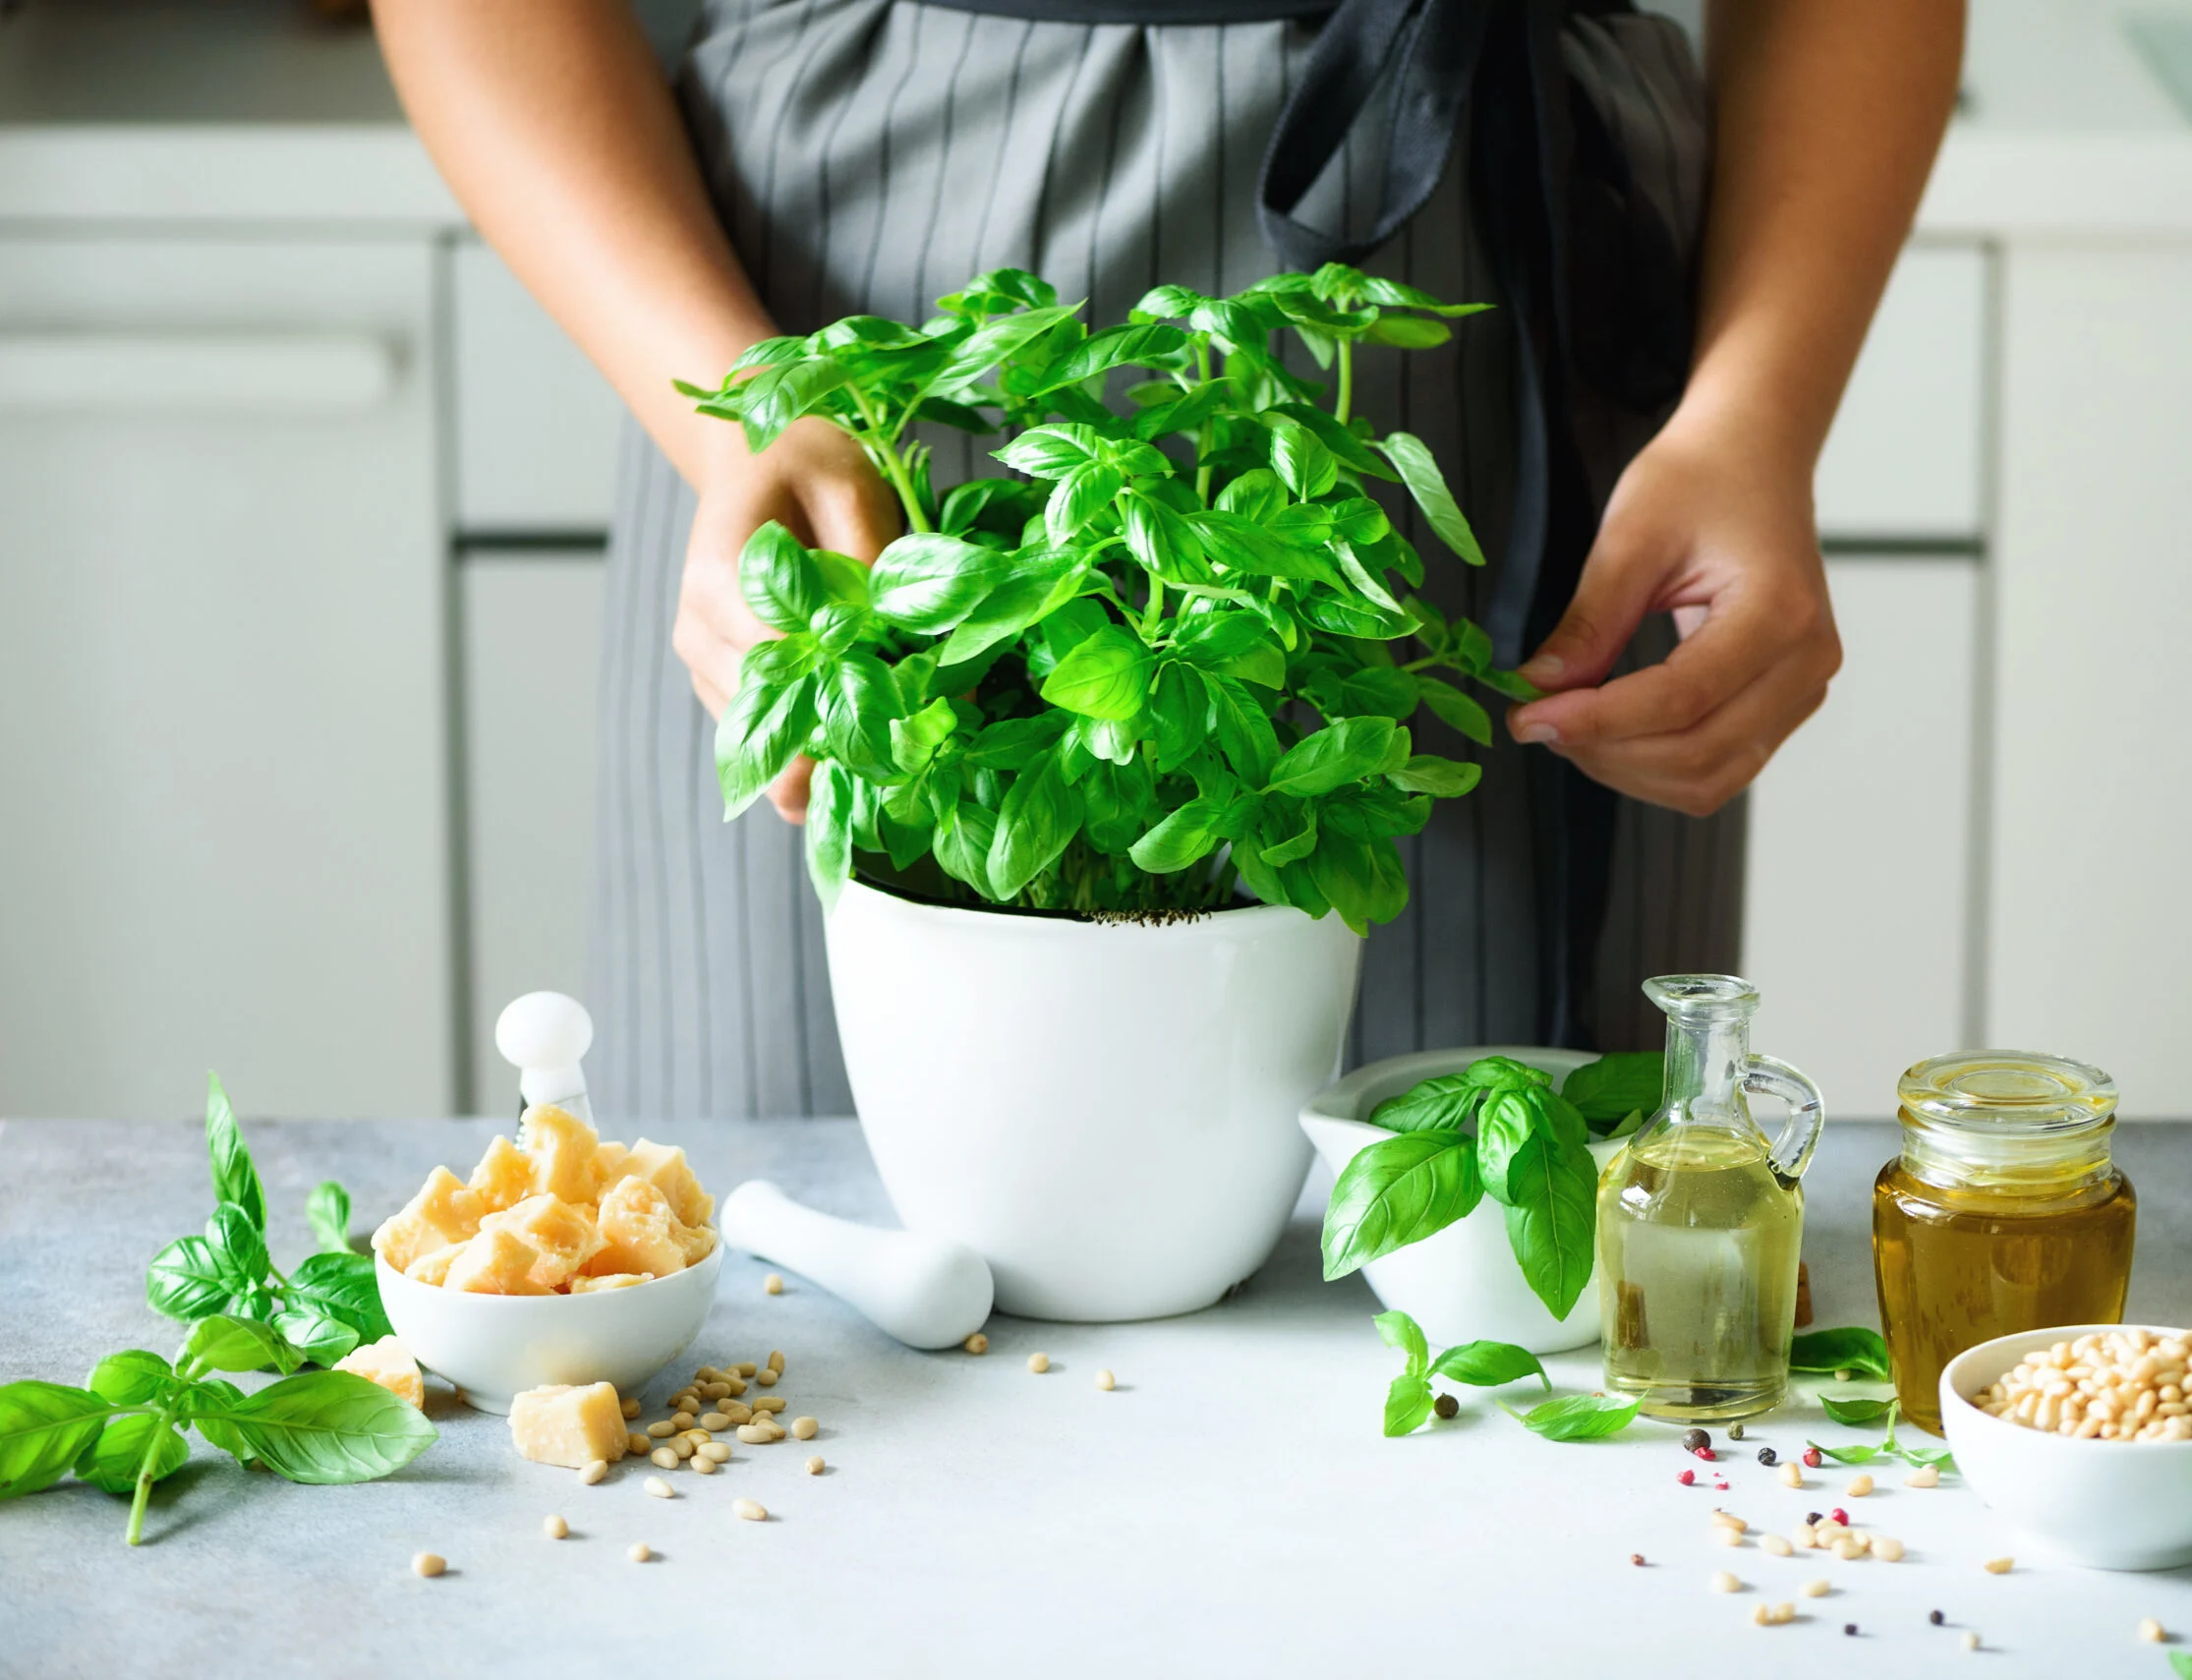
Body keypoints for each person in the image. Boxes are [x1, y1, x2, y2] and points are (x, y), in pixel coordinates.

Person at [375, 0, 1961, 1119]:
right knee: (809, 1328)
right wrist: (724, 405)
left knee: (1514, 1325)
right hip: (835, 325)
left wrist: (1761, 414)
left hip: (1508, 301)